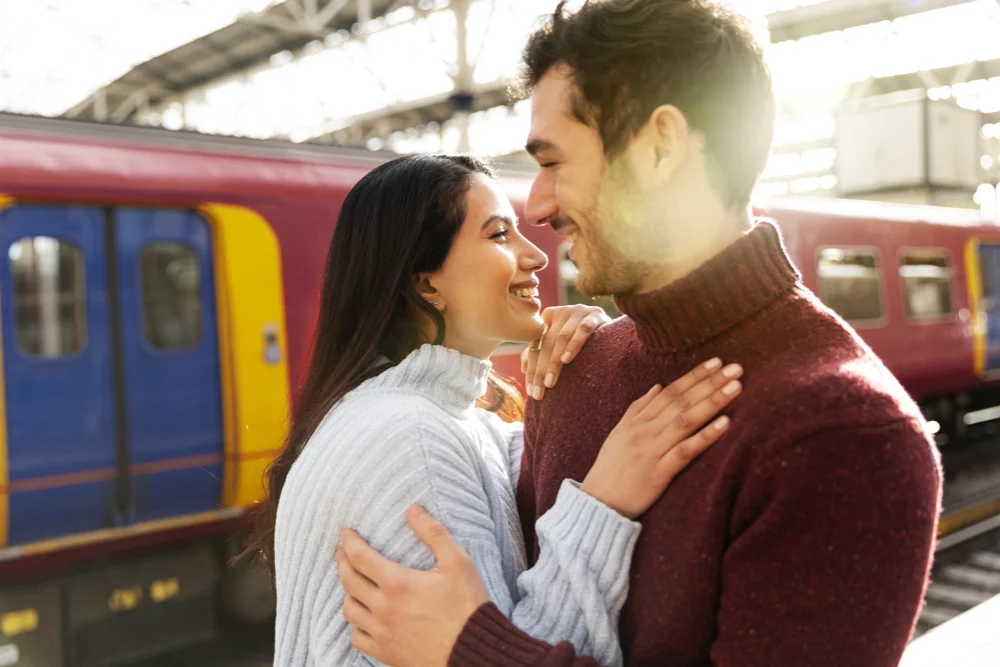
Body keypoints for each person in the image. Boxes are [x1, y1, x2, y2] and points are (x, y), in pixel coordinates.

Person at [335, 2, 943, 666]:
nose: (537, 205)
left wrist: (471, 651)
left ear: (660, 147)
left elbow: (498, 630)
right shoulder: (576, 368)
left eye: (554, 161)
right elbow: (531, 598)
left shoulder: (844, 434)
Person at [259, 153, 743, 666]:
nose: (537, 256)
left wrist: (602, 349)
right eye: (498, 235)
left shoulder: (452, 421)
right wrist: (604, 503)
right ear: (426, 284)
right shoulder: (412, 436)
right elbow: (493, 650)